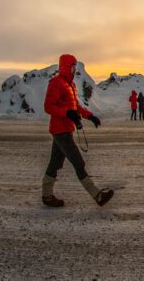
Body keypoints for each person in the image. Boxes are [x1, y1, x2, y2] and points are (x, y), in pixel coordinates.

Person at [41, 54, 113, 207]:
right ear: (66, 67)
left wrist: (90, 116)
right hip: (60, 130)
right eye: (72, 66)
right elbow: (48, 107)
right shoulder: (56, 83)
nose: (74, 69)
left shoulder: (70, 85)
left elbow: (76, 107)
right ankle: (97, 195)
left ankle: (47, 196)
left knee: (55, 163)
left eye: (75, 67)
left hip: (66, 129)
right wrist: (66, 113)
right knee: (78, 162)